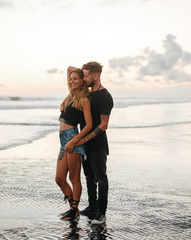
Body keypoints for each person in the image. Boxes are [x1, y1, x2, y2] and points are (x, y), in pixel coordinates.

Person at [75, 61, 114, 225]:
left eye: (86, 76)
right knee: (88, 177)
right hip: (85, 145)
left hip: (98, 145)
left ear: (95, 76)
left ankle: (101, 212)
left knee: (100, 179)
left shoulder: (105, 96)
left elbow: (103, 125)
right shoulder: (88, 95)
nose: (83, 79)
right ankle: (91, 207)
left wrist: (84, 139)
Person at [55, 66, 93, 221]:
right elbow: (69, 72)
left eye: (75, 78)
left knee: (74, 178)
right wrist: (70, 72)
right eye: (70, 79)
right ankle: (73, 209)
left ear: (82, 81)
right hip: (63, 139)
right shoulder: (70, 96)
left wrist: (74, 140)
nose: (72, 81)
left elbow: (89, 125)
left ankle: (73, 210)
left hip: (73, 139)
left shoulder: (84, 99)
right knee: (59, 179)